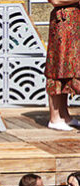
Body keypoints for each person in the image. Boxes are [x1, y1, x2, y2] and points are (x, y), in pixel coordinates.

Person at [44, 0, 80, 131]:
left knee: (68, 69)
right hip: (63, 23)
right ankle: (55, 118)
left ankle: (64, 115)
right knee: (57, 67)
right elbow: (55, 0)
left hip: (75, 24)